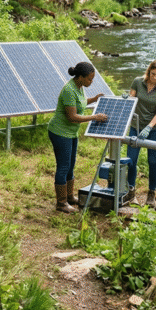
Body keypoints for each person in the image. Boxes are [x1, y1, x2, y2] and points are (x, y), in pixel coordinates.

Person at [46, 62, 106, 213]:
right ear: (80, 77)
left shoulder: (79, 87)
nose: (91, 82)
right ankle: (61, 204)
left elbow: (79, 103)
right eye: (90, 79)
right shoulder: (69, 90)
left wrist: (93, 99)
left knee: (71, 165)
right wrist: (94, 117)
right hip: (60, 132)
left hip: (71, 133)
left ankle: (69, 197)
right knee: (63, 166)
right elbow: (72, 116)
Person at [126, 60, 156, 207]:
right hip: (136, 126)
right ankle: (131, 190)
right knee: (131, 160)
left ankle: (151, 194)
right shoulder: (138, 82)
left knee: (152, 161)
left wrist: (149, 127)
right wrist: (127, 99)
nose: (155, 77)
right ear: (149, 71)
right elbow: (131, 100)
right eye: (153, 74)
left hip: (154, 129)